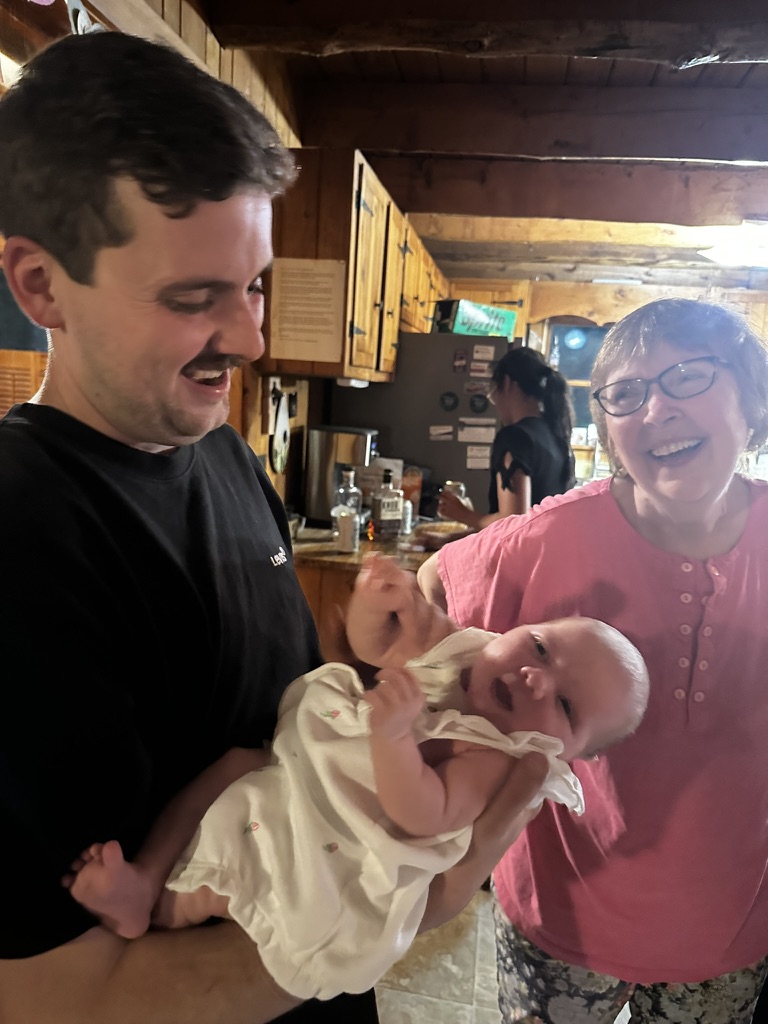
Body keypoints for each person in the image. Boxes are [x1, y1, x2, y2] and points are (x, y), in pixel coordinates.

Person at [0, 32, 547, 1024]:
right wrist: (400, 912)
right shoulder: (24, 534)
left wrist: (370, 661)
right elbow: (54, 996)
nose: (251, 338)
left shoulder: (218, 449)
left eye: (253, 284)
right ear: (39, 285)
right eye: (193, 299)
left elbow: (257, 717)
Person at [64, 553, 648, 1004]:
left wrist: (393, 738)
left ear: (566, 752)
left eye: (565, 706)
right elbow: (386, 644)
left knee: (255, 850)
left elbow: (424, 813)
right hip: (308, 771)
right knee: (236, 768)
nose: (535, 676)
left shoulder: (501, 757)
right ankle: (144, 879)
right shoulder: (470, 654)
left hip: (343, 839)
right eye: (541, 646)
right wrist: (376, 599)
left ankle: (159, 909)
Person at [418, 297, 768, 1023]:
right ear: (608, 431)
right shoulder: (551, 535)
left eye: (689, 376)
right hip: (560, 915)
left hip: (728, 926)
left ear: (752, 400)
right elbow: (434, 585)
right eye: (627, 394)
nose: (657, 409)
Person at [438, 346, 575, 527]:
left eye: (493, 390)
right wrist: (454, 538)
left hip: (522, 547)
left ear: (508, 383)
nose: (494, 401)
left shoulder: (515, 437)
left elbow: (512, 522)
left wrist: (464, 515)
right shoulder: (556, 436)